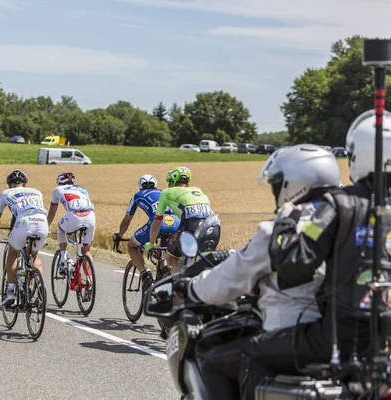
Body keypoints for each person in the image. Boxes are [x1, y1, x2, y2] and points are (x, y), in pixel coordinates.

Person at [237, 110, 391, 399]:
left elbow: (295, 265)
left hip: (345, 337)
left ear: (359, 156)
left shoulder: (340, 204)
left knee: (254, 352)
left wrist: (285, 221)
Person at [182, 145, 341, 400]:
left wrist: (189, 288)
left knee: (212, 361)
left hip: (289, 330)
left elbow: (227, 281)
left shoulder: (280, 230)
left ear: (293, 183)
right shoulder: (346, 222)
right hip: (340, 336)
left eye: (277, 184)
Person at [0, 170, 49, 307]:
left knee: (13, 252)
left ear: (9, 185)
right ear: (25, 184)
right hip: (43, 223)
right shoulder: (37, 192)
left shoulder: (5, 193)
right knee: (33, 255)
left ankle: (10, 292)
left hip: (24, 222)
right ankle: (38, 284)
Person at [145, 166, 220, 273]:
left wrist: (151, 244)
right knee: (203, 263)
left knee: (172, 258)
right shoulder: (198, 190)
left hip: (191, 225)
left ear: (172, 181)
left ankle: (178, 287)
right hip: (214, 226)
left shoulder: (166, 193)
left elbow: (157, 222)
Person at [113, 174, 180, 289]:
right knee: (163, 253)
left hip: (158, 223)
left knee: (131, 246)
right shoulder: (164, 192)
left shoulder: (138, 195)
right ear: (156, 185)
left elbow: (127, 220)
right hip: (176, 222)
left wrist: (119, 235)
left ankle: (145, 275)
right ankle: (165, 274)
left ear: (140, 186)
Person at [47, 172, 96, 276]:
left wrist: (45, 227)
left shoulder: (57, 190)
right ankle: (90, 280)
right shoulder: (83, 189)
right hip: (90, 216)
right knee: (86, 250)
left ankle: (63, 256)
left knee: (60, 228)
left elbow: (52, 213)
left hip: (74, 215)